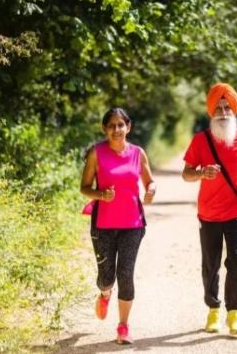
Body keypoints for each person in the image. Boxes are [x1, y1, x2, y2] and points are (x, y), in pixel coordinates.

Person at [182, 82, 237, 335]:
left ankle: (233, 314)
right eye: (219, 108)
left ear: (234, 111)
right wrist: (202, 173)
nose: (223, 112)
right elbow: (186, 174)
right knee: (210, 264)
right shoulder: (200, 140)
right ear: (211, 112)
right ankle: (213, 310)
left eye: (227, 108)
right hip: (209, 213)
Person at [80, 107, 156, 344]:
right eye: (111, 125)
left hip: (133, 224)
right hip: (103, 224)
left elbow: (149, 181)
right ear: (105, 129)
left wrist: (151, 190)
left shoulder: (138, 153)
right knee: (107, 277)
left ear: (128, 127)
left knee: (126, 274)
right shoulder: (96, 153)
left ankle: (123, 326)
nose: (116, 129)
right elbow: (84, 187)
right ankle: (104, 293)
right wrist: (101, 195)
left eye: (120, 125)